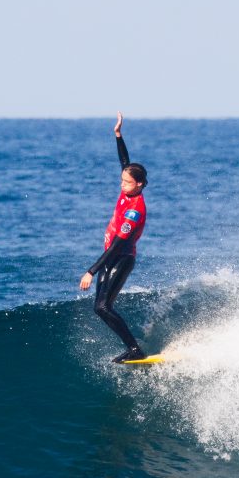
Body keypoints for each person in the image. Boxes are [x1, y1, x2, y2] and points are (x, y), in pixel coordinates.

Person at [79, 112, 149, 363]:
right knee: (101, 307)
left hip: (121, 258)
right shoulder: (128, 190)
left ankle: (134, 349)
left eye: (127, 182)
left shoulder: (134, 210)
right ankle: (133, 347)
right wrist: (118, 135)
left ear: (139, 184)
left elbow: (119, 244)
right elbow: (125, 162)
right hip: (112, 258)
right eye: (122, 180)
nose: (122, 184)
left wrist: (91, 270)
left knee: (102, 307)